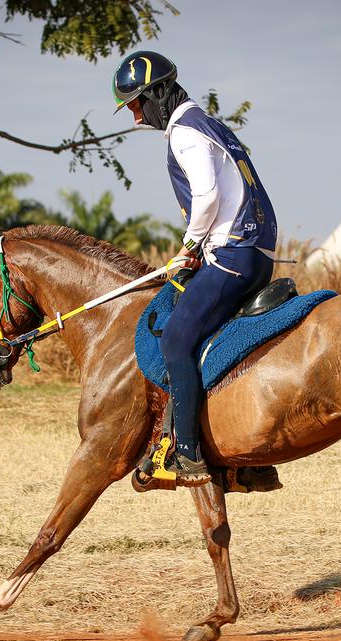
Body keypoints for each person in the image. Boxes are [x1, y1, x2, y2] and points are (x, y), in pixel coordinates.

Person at [113, 50, 279, 486]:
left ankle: (185, 453)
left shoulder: (184, 132)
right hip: (254, 253)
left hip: (232, 256)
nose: (135, 116)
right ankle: (245, 454)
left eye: (136, 103)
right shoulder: (210, 124)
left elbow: (206, 197)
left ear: (159, 93)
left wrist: (188, 246)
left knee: (174, 340)